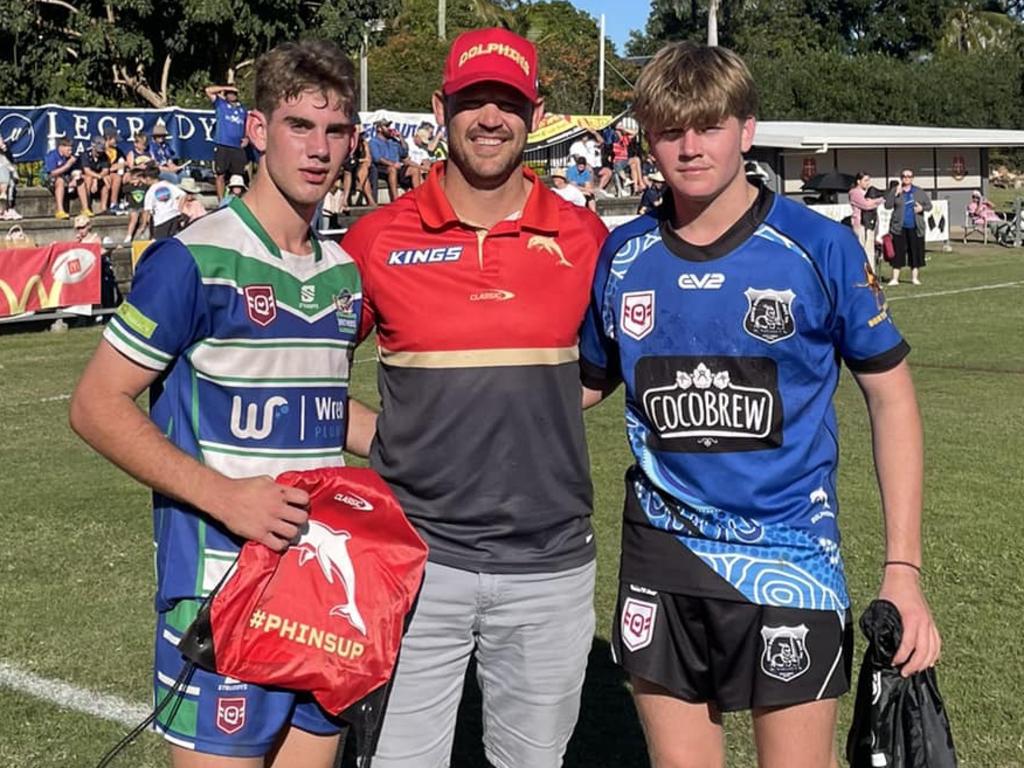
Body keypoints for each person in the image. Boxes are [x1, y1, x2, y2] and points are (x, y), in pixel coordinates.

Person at [579, 42, 941, 768]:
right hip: (663, 553)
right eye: (670, 131)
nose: (689, 148)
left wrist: (903, 567)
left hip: (791, 557)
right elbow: (581, 385)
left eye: (709, 127)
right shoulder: (622, 256)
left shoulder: (817, 247)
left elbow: (891, 396)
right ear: (648, 138)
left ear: (746, 130)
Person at [69, 38, 373, 768]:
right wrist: (224, 496)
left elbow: (321, 403)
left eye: (335, 131)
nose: (319, 149)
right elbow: (96, 404)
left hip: (318, 595)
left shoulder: (342, 274)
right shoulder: (192, 259)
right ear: (259, 131)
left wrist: (413, 446)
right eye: (300, 126)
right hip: (220, 592)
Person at [343, 27, 608, 768]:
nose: (490, 118)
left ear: (537, 113)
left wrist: (533, 400)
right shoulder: (376, 239)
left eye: (509, 103)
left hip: (549, 564)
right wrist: (391, 435)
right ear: (440, 108)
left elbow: (608, 365)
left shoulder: (586, 237)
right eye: (472, 101)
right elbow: (310, 370)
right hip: (412, 558)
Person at [885, 168, 932, 286]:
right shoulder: (896, 190)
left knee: (915, 252)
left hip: (915, 227)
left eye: (909, 176)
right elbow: (887, 205)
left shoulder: (919, 192)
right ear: (901, 178)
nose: (906, 178)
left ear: (912, 178)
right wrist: (895, 194)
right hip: (899, 227)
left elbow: (929, 206)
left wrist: (922, 208)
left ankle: (914, 278)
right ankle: (895, 278)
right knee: (898, 253)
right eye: (904, 176)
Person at [205, 83, 250, 200]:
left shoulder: (242, 109)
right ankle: (221, 201)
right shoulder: (221, 105)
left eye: (234, 93)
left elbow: (247, 126)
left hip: (237, 147)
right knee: (220, 174)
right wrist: (226, 88)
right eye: (230, 93)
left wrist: (247, 137)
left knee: (238, 175)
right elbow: (208, 90)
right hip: (223, 145)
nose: (232, 95)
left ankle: (236, 200)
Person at [43, 137, 90, 219]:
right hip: (52, 178)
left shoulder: (71, 157)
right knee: (60, 181)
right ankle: (60, 211)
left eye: (71, 150)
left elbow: (76, 170)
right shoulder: (52, 155)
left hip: (66, 177)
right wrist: (67, 165)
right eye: (68, 150)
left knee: (80, 180)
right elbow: (52, 172)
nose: (70, 152)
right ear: (61, 147)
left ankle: (85, 209)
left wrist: (75, 178)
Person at [849, 172, 884, 270]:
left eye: (869, 180)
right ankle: (862, 274)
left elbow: (872, 202)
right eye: (865, 180)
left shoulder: (867, 192)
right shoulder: (854, 192)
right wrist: (878, 201)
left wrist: (874, 201)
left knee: (870, 250)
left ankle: (871, 275)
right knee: (862, 250)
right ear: (858, 181)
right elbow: (866, 205)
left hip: (870, 224)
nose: (868, 183)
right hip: (860, 224)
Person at [141, 166, 186, 239]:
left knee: (160, 243)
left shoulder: (151, 191)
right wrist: (179, 210)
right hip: (173, 216)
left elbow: (147, 210)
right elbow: (183, 195)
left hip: (161, 220)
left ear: (148, 178)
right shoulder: (168, 185)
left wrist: (143, 225)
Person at [0, 135, 21, 220]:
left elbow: (11, 159)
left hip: (5, 173)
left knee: (11, 179)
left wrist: (4, 148)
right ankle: (4, 209)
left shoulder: (4, 150)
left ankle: (8, 209)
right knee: (3, 170)